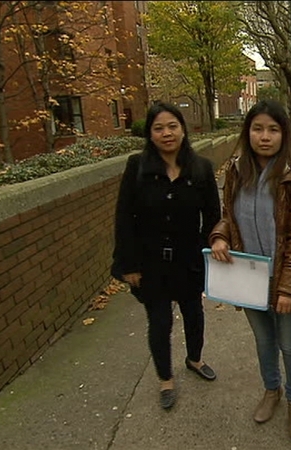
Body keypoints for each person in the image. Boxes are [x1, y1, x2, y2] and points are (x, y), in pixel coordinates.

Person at [209, 99, 291, 442]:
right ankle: (271, 390)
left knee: (289, 343)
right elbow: (229, 215)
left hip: (286, 278)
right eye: (258, 128)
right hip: (248, 275)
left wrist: (288, 289)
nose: (265, 136)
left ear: (284, 134)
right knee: (263, 340)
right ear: (248, 132)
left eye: (273, 129)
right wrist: (219, 237)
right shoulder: (237, 170)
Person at [112, 101, 221, 410]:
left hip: (189, 260)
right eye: (158, 128)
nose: (166, 133)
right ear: (150, 133)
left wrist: (207, 250)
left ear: (183, 129)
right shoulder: (137, 167)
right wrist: (128, 264)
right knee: (159, 322)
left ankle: (195, 359)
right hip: (150, 262)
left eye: (172, 126)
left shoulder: (201, 168)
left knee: (194, 315)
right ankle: (165, 379)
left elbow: (213, 216)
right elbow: (124, 217)